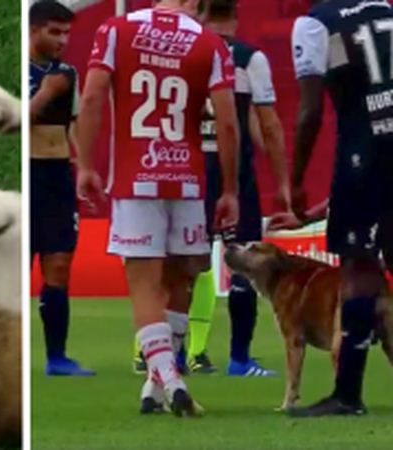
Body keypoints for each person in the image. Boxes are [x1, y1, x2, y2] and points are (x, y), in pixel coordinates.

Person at [76, 0, 239, 415]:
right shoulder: (210, 42)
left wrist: (86, 163)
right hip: (186, 178)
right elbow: (227, 122)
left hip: (135, 176)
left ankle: (168, 378)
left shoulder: (116, 29)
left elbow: (93, 95)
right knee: (181, 279)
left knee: (145, 285)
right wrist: (231, 189)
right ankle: (158, 384)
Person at [286, 0, 393, 416]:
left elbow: (310, 111)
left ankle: (347, 393)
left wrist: (293, 180)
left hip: (364, 151)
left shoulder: (316, 24)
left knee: (359, 269)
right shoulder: (386, 11)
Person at [186, 0, 292, 376]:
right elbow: (268, 125)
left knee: (185, 266)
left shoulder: (183, 49)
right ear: (236, 15)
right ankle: (239, 358)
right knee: (245, 266)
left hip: (191, 172)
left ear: (199, 12)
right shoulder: (249, 58)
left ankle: (172, 355)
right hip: (236, 176)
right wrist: (283, 183)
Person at [29, 0, 94, 377]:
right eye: (54, 32)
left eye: (67, 33)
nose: (62, 40)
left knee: (59, 264)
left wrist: (84, 167)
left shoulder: (67, 73)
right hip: (29, 172)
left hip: (57, 177)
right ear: (34, 30)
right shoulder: (21, 71)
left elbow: (75, 124)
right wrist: (43, 95)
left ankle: (57, 357)